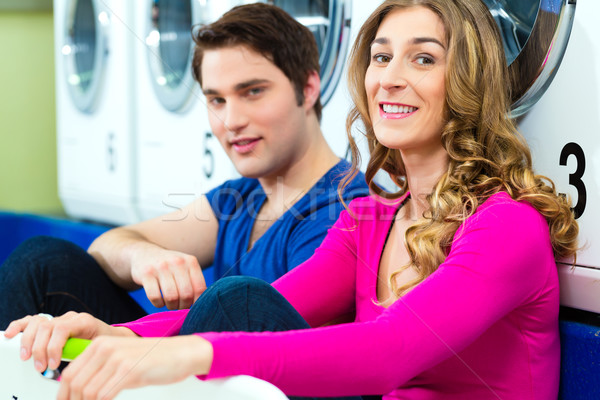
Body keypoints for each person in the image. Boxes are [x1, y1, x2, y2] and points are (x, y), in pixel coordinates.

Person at [5, 0, 580, 399]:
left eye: (423, 58)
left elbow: (391, 349)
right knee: (235, 302)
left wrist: (191, 354)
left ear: (467, 81)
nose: (390, 77)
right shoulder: (369, 219)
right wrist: (119, 336)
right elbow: (283, 303)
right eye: (381, 57)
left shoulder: (507, 226)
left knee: (236, 303)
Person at [0, 3, 369, 329]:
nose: (231, 120)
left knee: (229, 303)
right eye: (216, 100)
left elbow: (264, 343)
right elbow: (104, 247)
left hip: (257, 381)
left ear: (307, 88)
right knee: (43, 264)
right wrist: (145, 256)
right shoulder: (241, 198)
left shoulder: (340, 210)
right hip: (199, 371)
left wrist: (127, 343)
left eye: (252, 91)